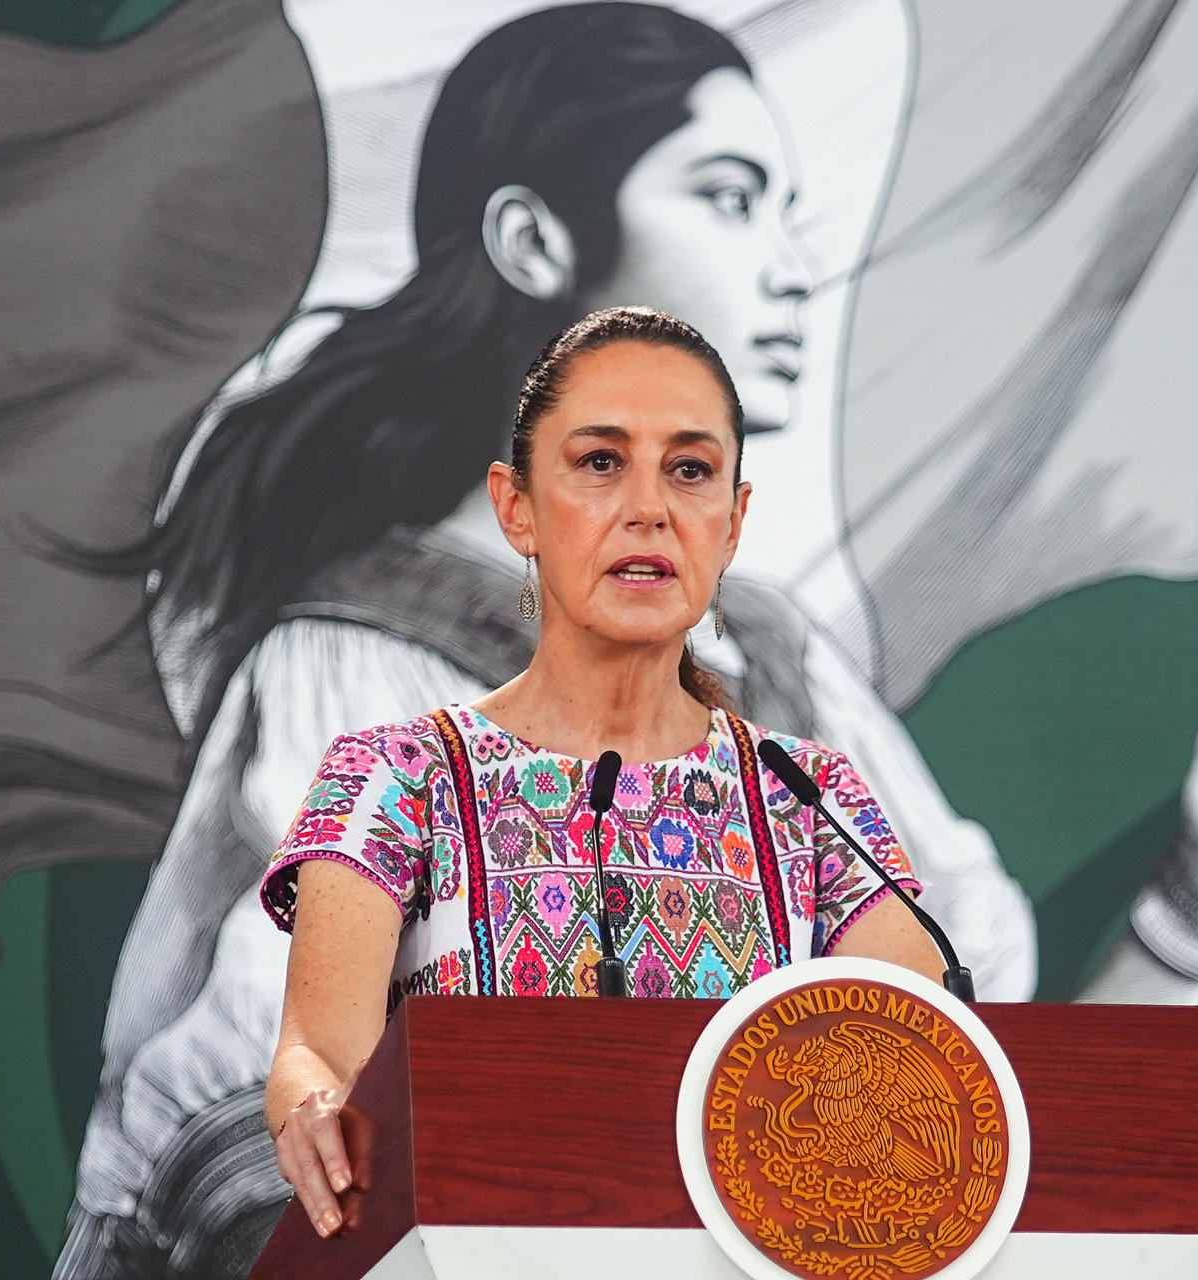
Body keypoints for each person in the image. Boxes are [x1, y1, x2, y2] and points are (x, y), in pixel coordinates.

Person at [59, 5, 1198, 1274]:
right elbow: (256, 1171)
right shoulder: (366, 697)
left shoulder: (799, 717)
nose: (792, 266)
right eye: (729, 198)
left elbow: (984, 1153)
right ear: (534, 241)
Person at [263, 306, 945, 1233]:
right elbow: (320, 1052)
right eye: (599, 463)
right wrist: (316, 1105)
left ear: (734, 522)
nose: (650, 509)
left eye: (692, 471)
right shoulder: (395, 778)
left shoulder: (810, 797)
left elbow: (916, 1045)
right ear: (517, 508)